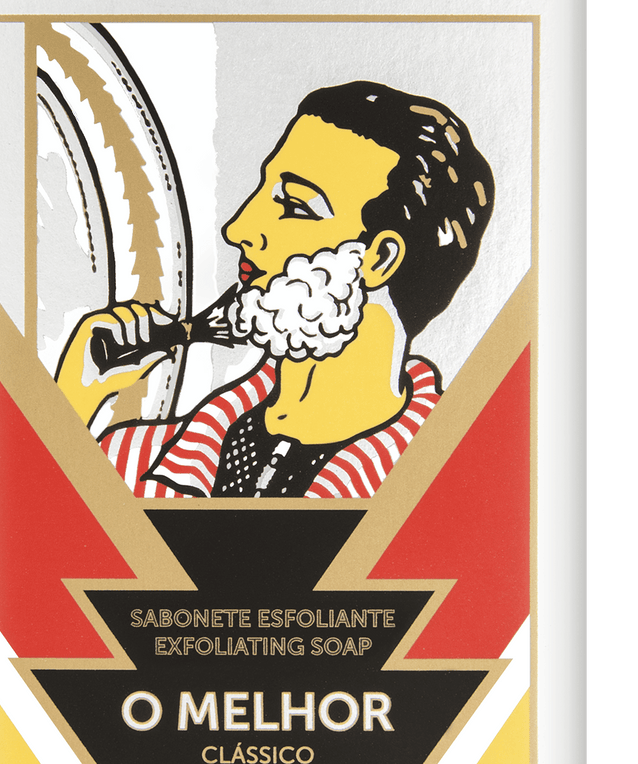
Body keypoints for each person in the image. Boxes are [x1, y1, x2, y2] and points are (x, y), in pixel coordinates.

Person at [56, 81, 494, 498]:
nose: (238, 228)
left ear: (378, 259)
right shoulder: (129, 461)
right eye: (263, 190)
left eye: (294, 205)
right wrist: (74, 398)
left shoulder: (458, 481)